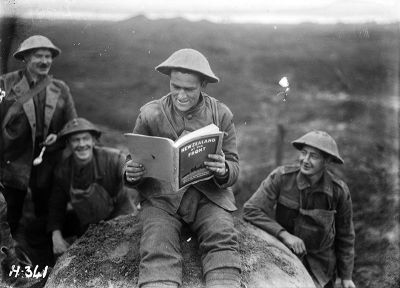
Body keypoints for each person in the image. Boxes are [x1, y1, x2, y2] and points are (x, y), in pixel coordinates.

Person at [124, 49, 241, 288]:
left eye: (189, 89)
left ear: (204, 85)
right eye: (175, 86)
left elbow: (235, 165)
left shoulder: (221, 114)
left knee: (221, 236)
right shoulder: (150, 114)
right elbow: (132, 159)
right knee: (156, 241)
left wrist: (224, 169)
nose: (181, 95)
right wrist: (131, 173)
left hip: (209, 198)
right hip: (162, 199)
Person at [243, 130, 356, 288]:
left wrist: (346, 277)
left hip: (321, 266)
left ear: (327, 161)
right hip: (283, 256)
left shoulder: (338, 192)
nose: (305, 160)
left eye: (314, 156)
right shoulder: (281, 177)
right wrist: (284, 235)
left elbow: (345, 236)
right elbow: (251, 209)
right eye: (304, 153)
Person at [0, 35, 77, 235]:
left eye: (48, 56)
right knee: (10, 211)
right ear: (25, 58)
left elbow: (72, 124)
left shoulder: (60, 89)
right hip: (12, 160)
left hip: (47, 160)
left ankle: (40, 253)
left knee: (45, 209)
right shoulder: (5, 84)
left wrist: (59, 137)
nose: (45, 61)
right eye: (38, 56)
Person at [48, 117, 134, 256]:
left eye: (85, 139)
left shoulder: (113, 158)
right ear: (68, 144)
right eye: (76, 140)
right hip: (90, 226)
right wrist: (56, 236)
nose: (81, 144)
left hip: (122, 219)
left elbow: (127, 170)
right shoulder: (63, 171)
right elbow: (56, 206)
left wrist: (130, 174)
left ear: (93, 141)